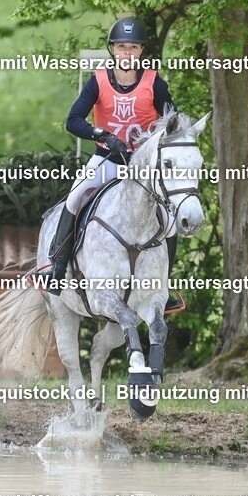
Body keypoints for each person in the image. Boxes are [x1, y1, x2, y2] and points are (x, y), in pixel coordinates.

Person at [40, 17, 183, 311]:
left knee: (168, 219)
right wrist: (103, 135)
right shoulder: (99, 80)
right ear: (113, 50)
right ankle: (58, 266)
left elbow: (174, 124)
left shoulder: (154, 83)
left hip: (142, 170)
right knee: (76, 196)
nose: (127, 52)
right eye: (121, 47)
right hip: (106, 159)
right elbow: (73, 121)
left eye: (133, 47)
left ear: (141, 51)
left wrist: (153, 141)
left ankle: (164, 285)